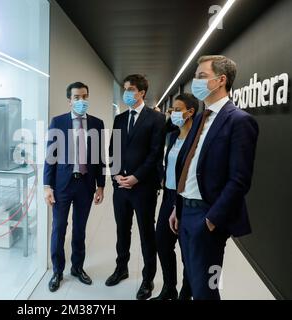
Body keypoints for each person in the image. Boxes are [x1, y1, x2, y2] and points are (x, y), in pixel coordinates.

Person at [170, 55, 259, 300]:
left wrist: (211, 220)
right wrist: (178, 206)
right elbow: (190, 166)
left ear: (220, 80)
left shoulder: (239, 121)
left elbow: (239, 180)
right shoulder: (200, 118)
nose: (195, 83)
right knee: (190, 278)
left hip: (207, 217)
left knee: (206, 290)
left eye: (201, 76)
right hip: (185, 212)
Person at [106, 74, 165, 300]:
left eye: (130, 89)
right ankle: (121, 268)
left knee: (146, 233)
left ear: (141, 92)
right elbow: (113, 150)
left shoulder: (155, 119)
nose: (126, 93)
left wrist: (136, 177)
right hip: (121, 188)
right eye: (125, 89)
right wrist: (117, 177)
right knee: (122, 230)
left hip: (144, 188)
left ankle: (148, 278)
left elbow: (155, 154)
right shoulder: (120, 119)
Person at [44, 82, 106, 292]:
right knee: (59, 229)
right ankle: (57, 271)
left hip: (86, 185)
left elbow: (99, 157)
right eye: (77, 97)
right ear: (69, 100)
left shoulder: (97, 123)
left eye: (84, 96)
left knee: (80, 230)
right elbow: (50, 157)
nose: (81, 101)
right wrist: (47, 186)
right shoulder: (58, 122)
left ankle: (77, 268)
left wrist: (101, 185)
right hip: (62, 185)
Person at [151, 93, 197, 300]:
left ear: (190, 112)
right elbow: (166, 162)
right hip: (168, 197)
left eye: (177, 110)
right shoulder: (172, 136)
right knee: (162, 242)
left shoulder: (197, 139)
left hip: (186, 199)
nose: (173, 114)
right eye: (172, 111)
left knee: (187, 251)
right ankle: (169, 287)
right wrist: (162, 177)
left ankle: (185, 293)